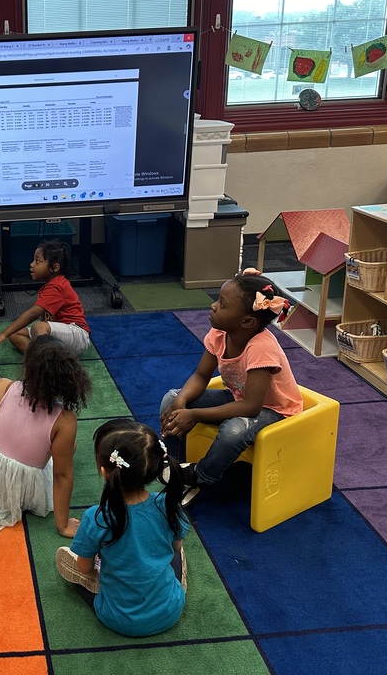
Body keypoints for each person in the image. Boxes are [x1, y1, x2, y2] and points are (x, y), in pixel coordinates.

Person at [159, 269, 302, 504]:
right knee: (170, 399)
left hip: (275, 411)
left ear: (247, 321)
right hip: (240, 399)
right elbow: (201, 375)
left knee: (234, 430)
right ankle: (177, 470)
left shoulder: (261, 347)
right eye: (217, 299)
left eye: (222, 304)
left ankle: (200, 476)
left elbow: (252, 407)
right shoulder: (219, 333)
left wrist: (194, 413)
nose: (213, 306)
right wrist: (182, 400)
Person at [0, 334, 91, 535]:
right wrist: (63, 525)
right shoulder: (65, 420)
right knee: (69, 446)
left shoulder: (6, 385)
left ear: (28, 367)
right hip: (18, 488)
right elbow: (62, 475)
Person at [55, 418, 189, 637]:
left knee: (86, 573)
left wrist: (94, 563)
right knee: (176, 556)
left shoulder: (96, 517)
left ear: (105, 471)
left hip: (116, 618)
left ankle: (99, 581)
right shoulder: (166, 505)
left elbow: (83, 568)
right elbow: (176, 546)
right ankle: (169, 586)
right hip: (170, 611)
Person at [0, 240, 89, 356]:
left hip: (77, 334)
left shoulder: (58, 286)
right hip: (57, 334)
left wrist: (4, 334)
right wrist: (9, 333)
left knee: (39, 326)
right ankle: (41, 359)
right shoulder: (52, 284)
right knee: (16, 333)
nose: (32, 264)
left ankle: (45, 362)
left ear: (55, 268)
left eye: (38, 261)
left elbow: (33, 313)